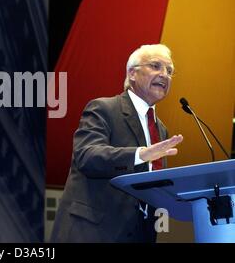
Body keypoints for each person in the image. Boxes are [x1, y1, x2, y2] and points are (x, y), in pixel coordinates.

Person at [50, 44, 183, 243]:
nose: (164, 75)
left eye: (170, 71)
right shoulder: (103, 108)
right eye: (156, 66)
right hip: (93, 232)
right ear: (132, 73)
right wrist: (139, 155)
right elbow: (87, 155)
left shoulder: (161, 130)